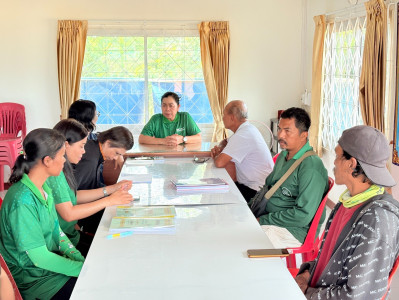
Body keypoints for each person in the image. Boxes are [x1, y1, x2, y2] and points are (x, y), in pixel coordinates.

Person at [295, 125, 399, 299]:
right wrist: (306, 276)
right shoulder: (347, 202)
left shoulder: (377, 221)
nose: (334, 162)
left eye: (337, 156)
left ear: (351, 164)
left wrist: (308, 294)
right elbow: (326, 260)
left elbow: (358, 296)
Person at [0, 128, 84, 299]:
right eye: (62, 156)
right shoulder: (22, 202)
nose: (64, 161)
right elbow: (40, 258)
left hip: (47, 270)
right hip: (35, 281)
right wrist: (81, 270)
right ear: (47, 160)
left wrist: (80, 260)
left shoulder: (44, 188)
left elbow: (57, 232)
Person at [47, 119, 133, 256]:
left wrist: (112, 189)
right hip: (62, 239)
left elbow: (74, 196)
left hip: (70, 234)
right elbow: (68, 214)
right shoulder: (56, 174)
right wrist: (109, 200)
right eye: (81, 146)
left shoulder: (64, 168)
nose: (84, 151)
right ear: (66, 145)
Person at [258, 107, 329, 248]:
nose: (280, 135)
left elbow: (303, 215)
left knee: (248, 243)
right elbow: (269, 187)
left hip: (294, 230)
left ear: (304, 135)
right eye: (279, 129)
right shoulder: (283, 155)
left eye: (287, 131)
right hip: (271, 218)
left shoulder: (310, 167)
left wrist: (263, 219)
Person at [74, 125, 134, 234]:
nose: (116, 158)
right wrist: (110, 193)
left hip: (91, 202)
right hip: (81, 212)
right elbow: (74, 196)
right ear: (107, 143)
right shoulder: (90, 159)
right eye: (117, 153)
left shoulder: (96, 147)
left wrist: (114, 189)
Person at [210, 100, 274, 202]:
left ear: (232, 118)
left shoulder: (243, 134)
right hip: (256, 186)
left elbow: (219, 162)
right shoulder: (247, 129)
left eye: (223, 115)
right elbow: (226, 141)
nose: (222, 118)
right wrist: (221, 147)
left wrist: (217, 154)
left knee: (216, 191)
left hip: (256, 192)